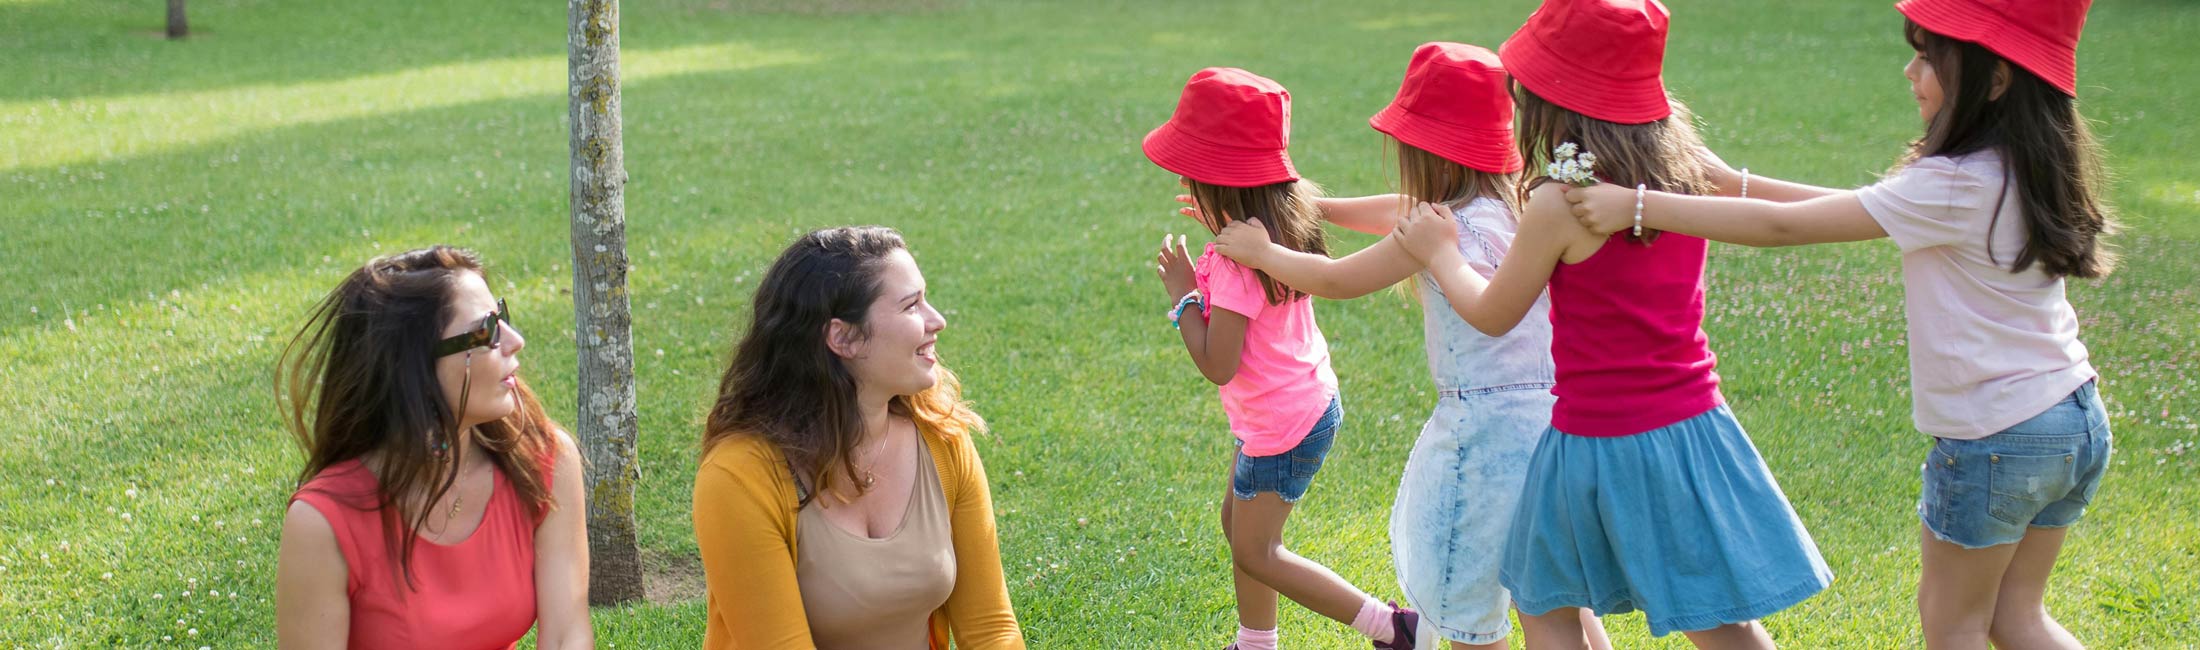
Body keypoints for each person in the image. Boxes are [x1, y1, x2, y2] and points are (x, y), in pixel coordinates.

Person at [1560, 1, 2113, 646]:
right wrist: (1721, 181)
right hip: (2069, 416)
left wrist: (1638, 204)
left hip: (1996, 435)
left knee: (1954, 621)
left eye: (1929, 56)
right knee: (2017, 615)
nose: (1910, 71)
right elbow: (1844, 210)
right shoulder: (2019, 167)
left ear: (1995, 81)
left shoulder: (1953, 182)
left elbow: (1786, 228)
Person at [1387, 0, 1835, 645]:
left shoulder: (1559, 200)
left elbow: (1492, 314)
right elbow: (1782, 208)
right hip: (1689, 423)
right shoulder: (1681, 168)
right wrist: (1885, 210)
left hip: (1604, 437)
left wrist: (1441, 254)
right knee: (1703, 616)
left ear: (1548, 98)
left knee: (1550, 604)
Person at [1210, 42, 1609, 650]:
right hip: (1561, 427)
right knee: (1558, 601)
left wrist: (1265, 252)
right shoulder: (1520, 204)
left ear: (1424, 151)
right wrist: (1315, 207)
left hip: (1486, 438)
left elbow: (1338, 280)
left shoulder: (1432, 235)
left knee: (1469, 610)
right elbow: (1400, 211)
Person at [1145, 66, 1418, 650]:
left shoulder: (1238, 261)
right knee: (1239, 529)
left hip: (1283, 426)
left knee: (1257, 549)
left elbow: (1219, 363)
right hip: (1290, 409)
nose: (1186, 185)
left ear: (1222, 182)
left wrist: (1184, 297)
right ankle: (1256, 643)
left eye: (1195, 174)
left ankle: (1393, 628)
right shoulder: (1270, 230)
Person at [692, 226, 1024, 649]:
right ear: (843, 337)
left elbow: (991, 629)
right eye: (911, 306)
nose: (936, 320)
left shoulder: (943, 439)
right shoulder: (738, 476)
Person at [275, 245, 592, 649]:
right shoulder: (323, 523)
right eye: (486, 332)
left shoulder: (544, 461)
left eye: (503, 317)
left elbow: (568, 634)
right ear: (414, 367)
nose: (516, 341)